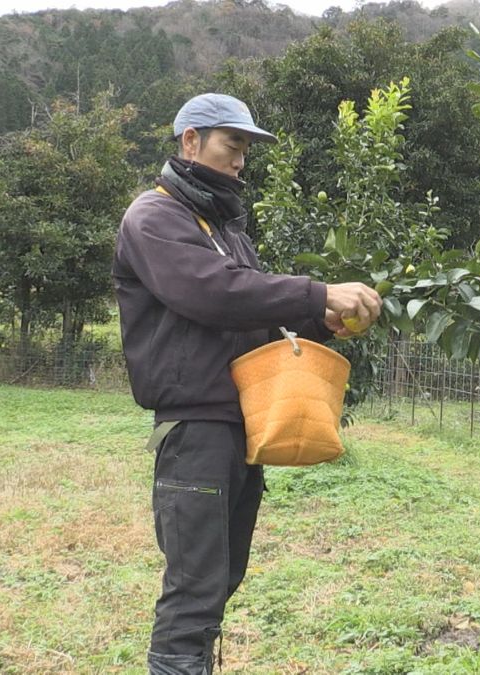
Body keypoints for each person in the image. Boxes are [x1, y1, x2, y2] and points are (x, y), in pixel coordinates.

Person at [112, 93, 382, 674]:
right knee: (194, 587)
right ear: (191, 141)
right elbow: (212, 292)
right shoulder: (154, 217)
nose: (240, 161)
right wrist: (317, 291)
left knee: (221, 578)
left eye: (244, 151)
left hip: (241, 423)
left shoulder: (223, 227)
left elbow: (254, 313)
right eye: (231, 146)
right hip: (197, 430)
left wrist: (322, 320)